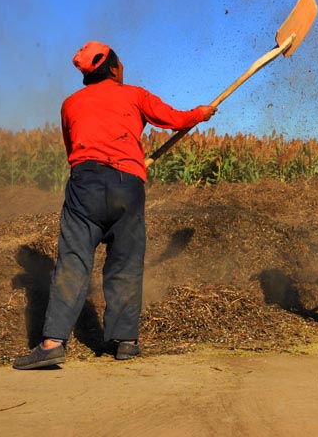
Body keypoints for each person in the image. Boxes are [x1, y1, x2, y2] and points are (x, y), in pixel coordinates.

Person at [13, 41, 216, 369]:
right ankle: (125, 341)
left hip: (84, 184)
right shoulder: (134, 94)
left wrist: (99, 168)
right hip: (127, 185)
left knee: (73, 263)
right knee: (125, 262)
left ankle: (51, 343)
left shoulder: (70, 104)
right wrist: (201, 114)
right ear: (113, 67)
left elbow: (72, 152)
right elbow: (175, 119)